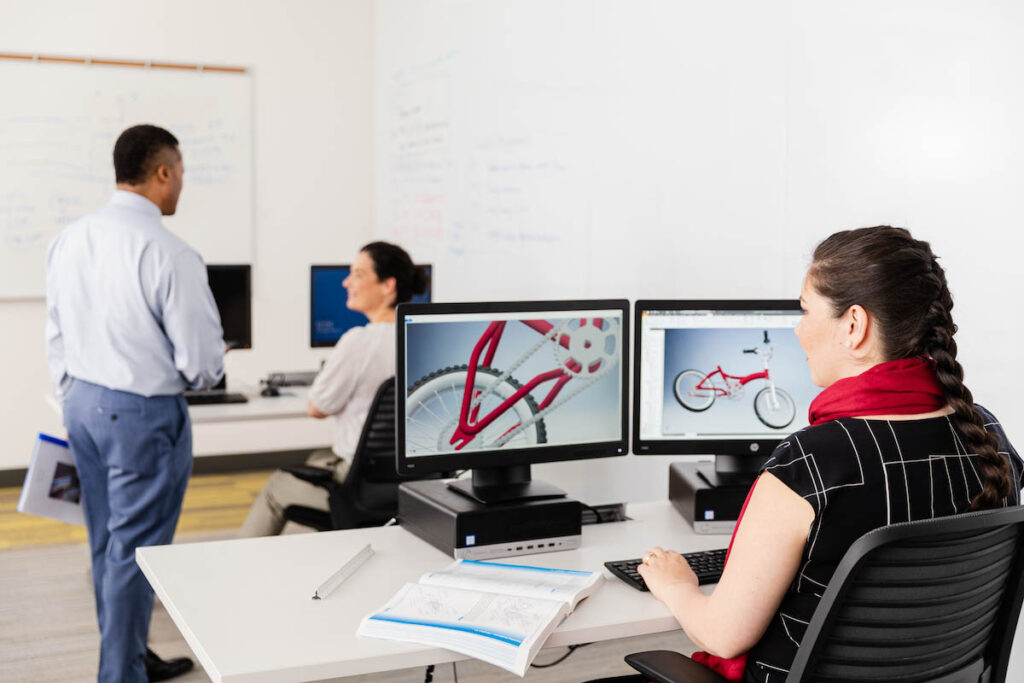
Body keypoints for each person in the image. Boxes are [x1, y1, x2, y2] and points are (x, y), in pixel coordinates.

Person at [635, 226, 1022, 682]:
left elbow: (723, 636)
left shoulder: (812, 461)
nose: (797, 331)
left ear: (853, 326)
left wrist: (677, 586)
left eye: (804, 311)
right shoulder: (988, 432)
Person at [46, 124, 226, 682]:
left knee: (105, 542)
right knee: (135, 553)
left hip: (81, 405)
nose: (181, 188)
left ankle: (131, 657)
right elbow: (201, 364)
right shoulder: (170, 252)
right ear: (163, 172)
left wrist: (73, 393)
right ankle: (119, 676)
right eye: (182, 175)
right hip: (142, 417)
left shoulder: (70, 238)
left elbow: (54, 331)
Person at [239, 241, 428, 537]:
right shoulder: (425, 337)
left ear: (387, 285)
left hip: (368, 488)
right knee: (318, 457)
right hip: (418, 484)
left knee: (276, 487)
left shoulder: (359, 341)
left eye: (358, 274)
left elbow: (317, 408)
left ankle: (238, 570)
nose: (346, 281)